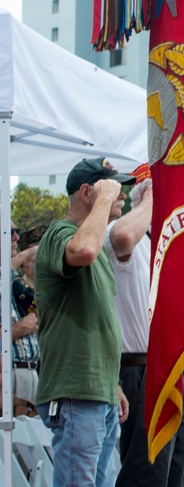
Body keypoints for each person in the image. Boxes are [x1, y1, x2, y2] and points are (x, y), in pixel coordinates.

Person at [34, 157, 135, 487]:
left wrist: (112, 385)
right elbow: (84, 250)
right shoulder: (60, 233)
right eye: (113, 187)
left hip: (97, 389)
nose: (121, 195)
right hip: (77, 390)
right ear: (87, 192)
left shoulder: (92, 243)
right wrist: (103, 201)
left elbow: (98, 315)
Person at [105, 166, 184, 487]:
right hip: (137, 365)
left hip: (170, 364)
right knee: (145, 469)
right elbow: (123, 238)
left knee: (175, 467)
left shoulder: (158, 243)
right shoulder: (120, 231)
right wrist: (154, 196)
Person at [7, 229, 40, 411]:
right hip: (10, 372)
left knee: (32, 437)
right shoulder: (16, 283)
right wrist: (27, 254)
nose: (16, 237)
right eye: (10, 231)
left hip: (30, 370)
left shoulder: (10, 278)